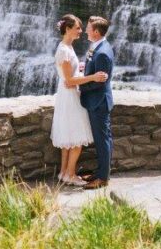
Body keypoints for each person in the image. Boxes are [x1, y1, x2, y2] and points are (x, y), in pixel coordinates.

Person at [50, 14, 108, 186]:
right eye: (77, 28)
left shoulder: (67, 47)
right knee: (76, 136)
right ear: (67, 29)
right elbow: (69, 81)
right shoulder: (64, 51)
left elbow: (69, 75)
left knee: (68, 137)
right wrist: (92, 77)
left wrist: (80, 69)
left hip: (67, 94)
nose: (81, 32)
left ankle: (64, 173)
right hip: (70, 96)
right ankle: (70, 174)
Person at [75, 16, 114, 190]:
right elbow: (95, 70)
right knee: (102, 139)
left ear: (96, 32)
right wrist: (85, 70)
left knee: (102, 140)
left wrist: (80, 85)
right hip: (96, 102)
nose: (85, 31)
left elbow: (100, 82)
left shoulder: (103, 52)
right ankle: (99, 173)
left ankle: (103, 178)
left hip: (99, 102)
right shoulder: (98, 46)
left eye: (88, 28)